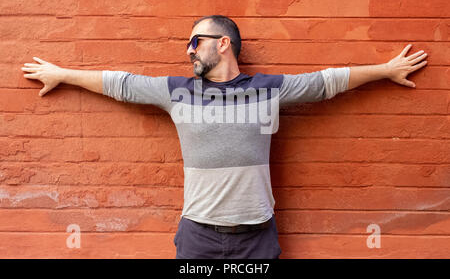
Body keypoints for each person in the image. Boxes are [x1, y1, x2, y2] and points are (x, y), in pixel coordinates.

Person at [21, 15, 428, 259]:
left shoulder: (269, 89)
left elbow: (327, 81)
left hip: (257, 238)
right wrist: (62, 74)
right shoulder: (176, 91)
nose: (189, 52)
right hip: (197, 235)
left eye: (195, 42)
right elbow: (120, 83)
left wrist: (385, 70)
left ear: (223, 43)